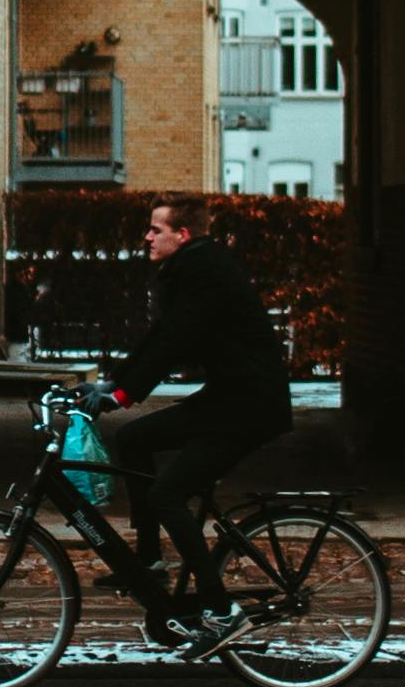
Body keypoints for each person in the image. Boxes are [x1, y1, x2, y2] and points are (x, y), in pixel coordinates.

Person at [102, 192, 292, 645]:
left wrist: (124, 392)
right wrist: (110, 384)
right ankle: (149, 563)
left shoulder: (202, 270)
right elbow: (161, 337)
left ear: (182, 234)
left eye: (156, 229)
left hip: (249, 407)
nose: (147, 236)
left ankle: (221, 610)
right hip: (228, 398)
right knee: (133, 441)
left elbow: (177, 341)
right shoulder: (189, 268)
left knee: (168, 494)